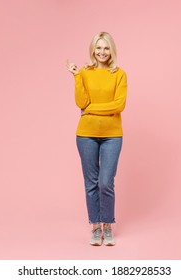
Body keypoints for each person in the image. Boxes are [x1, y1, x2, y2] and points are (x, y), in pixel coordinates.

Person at [66, 32, 127, 246]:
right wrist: (75, 76)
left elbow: (118, 105)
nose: (102, 52)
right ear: (93, 50)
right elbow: (80, 102)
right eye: (98, 48)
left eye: (106, 48)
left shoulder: (119, 74)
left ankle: (107, 225)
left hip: (112, 135)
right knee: (91, 182)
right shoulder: (84, 72)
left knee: (105, 182)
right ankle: (95, 226)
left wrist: (91, 109)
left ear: (112, 51)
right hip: (86, 134)